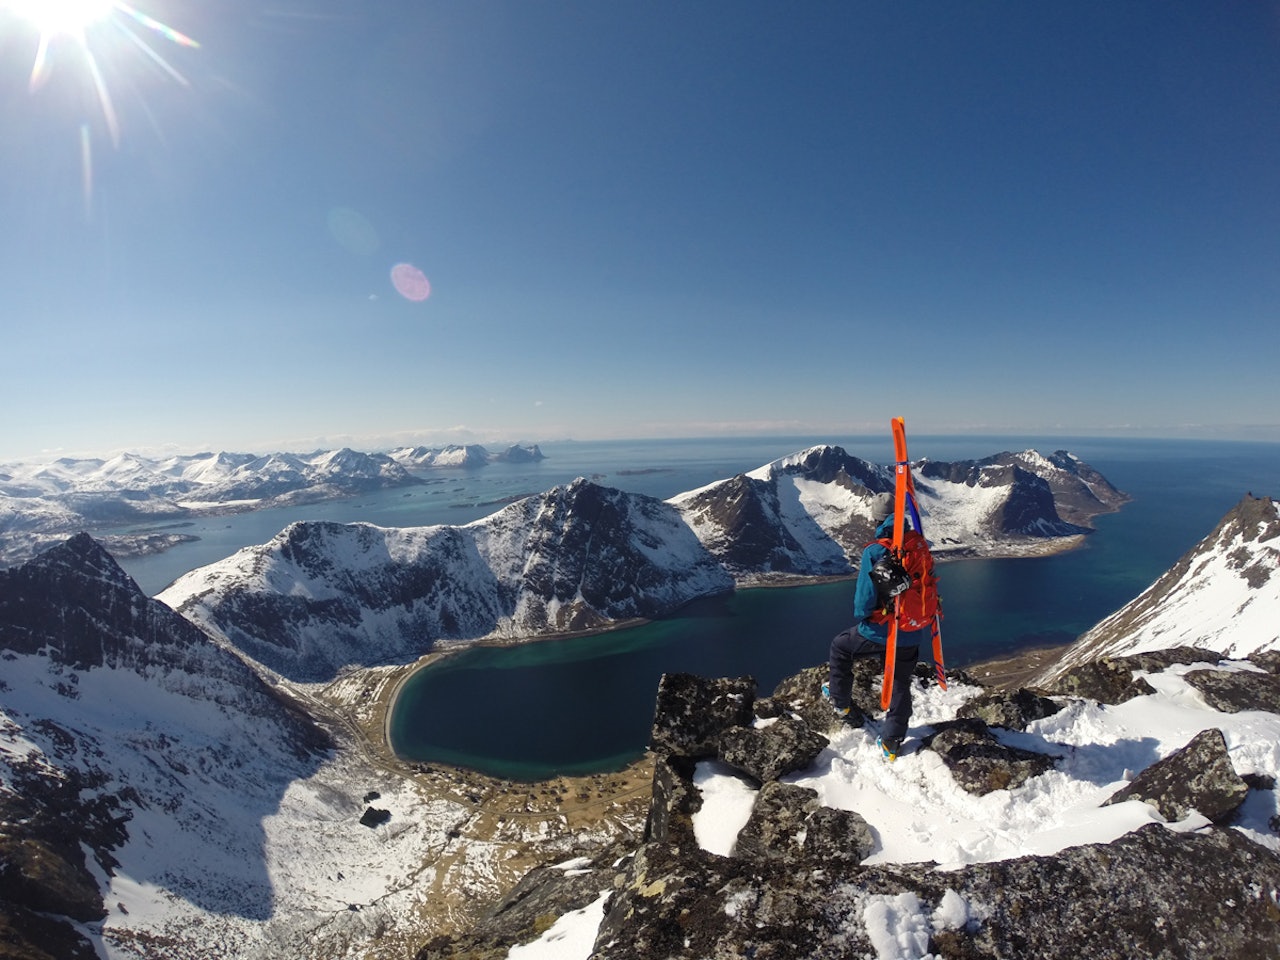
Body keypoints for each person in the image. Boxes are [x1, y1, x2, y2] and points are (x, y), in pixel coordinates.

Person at [824, 493, 930, 760]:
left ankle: (841, 703)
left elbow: (864, 599)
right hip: (912, 629)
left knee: (840, 647)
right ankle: (892, 741)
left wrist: (864, 616)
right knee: (900, 681)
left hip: (881, 630)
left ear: (877, 519)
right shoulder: (918, 545)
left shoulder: (876, 551)